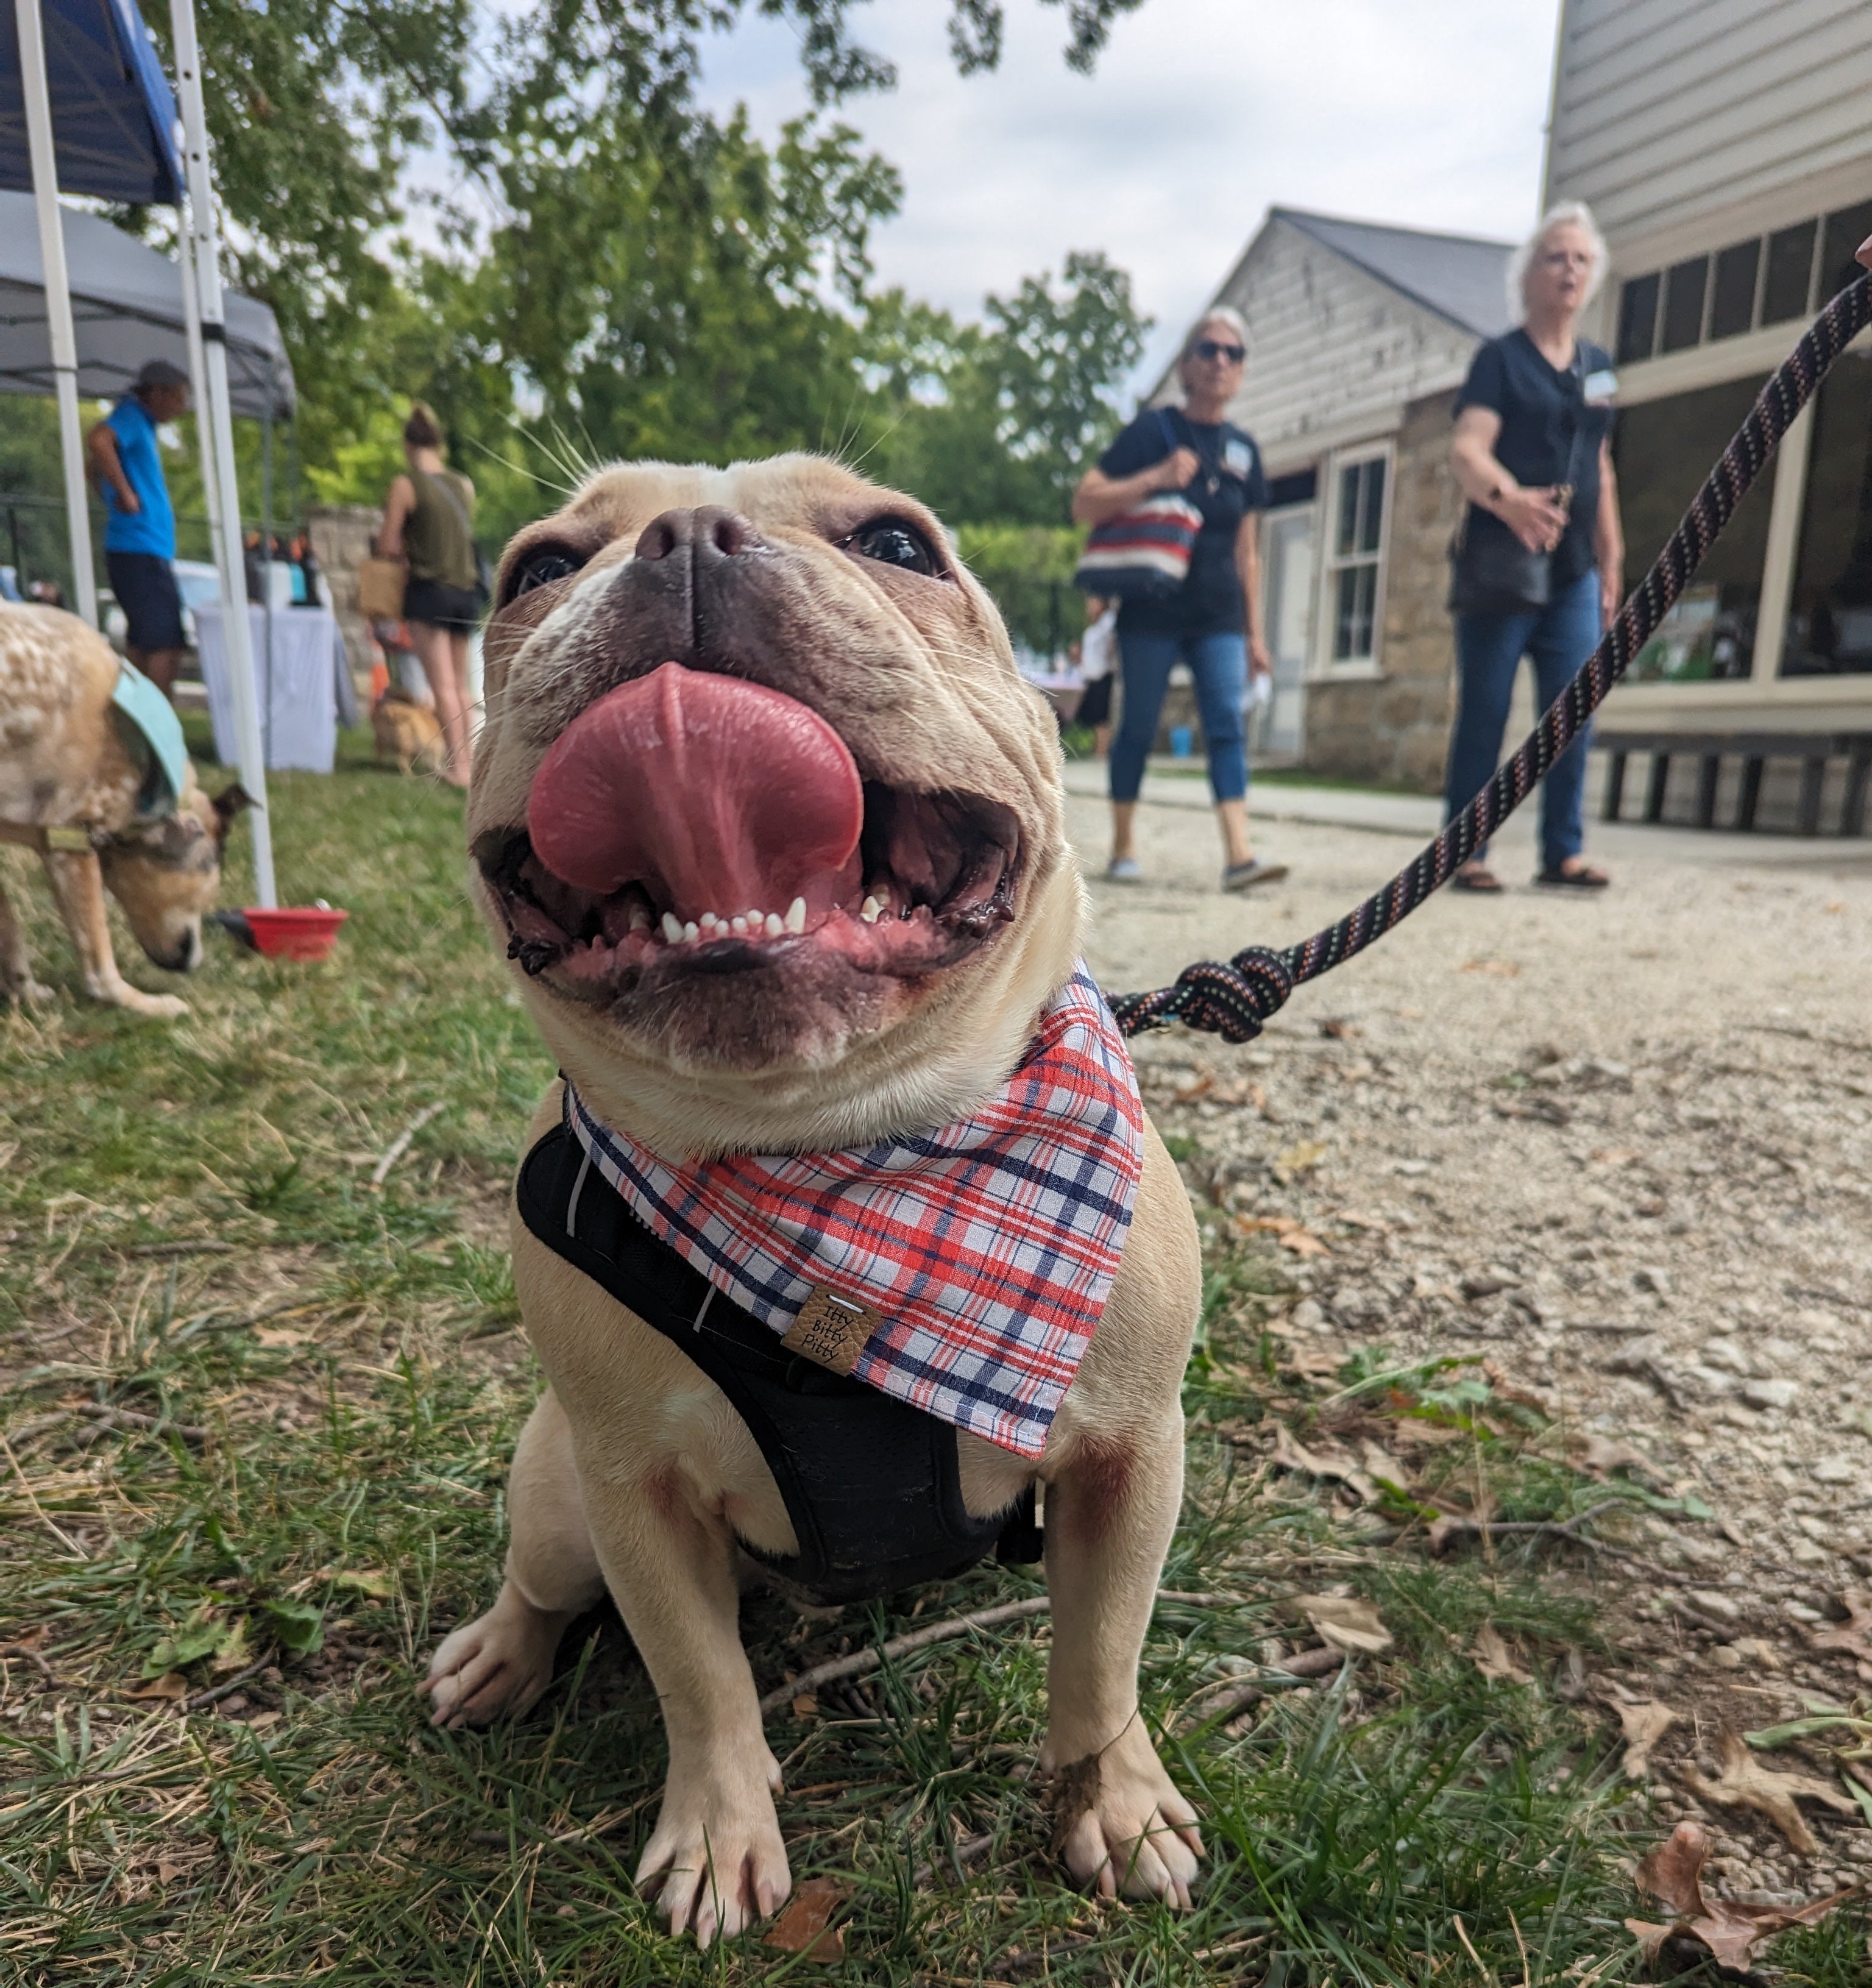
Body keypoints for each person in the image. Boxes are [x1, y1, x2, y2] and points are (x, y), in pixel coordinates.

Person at [1072, 308, 1285, 892]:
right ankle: (1123, 845)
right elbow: (1085, 501)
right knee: (1138, 725)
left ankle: (1239, 854)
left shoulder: (1245, 450)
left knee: (1226, 724)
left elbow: (1248, 552)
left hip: (1220, 613)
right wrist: (1156, 477)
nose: (1221, 361)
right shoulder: (1153, 432)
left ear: (1242, 371)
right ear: (1186, 366)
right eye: (1208, 350)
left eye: (1233, 353)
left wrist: (1256, 635)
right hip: (1152, 608)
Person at [1445, 202, 1625, 892]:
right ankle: (1466, 852)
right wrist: (1509, 499)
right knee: (1486, 710)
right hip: (1504, 562)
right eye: (1556, 257)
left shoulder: (1599, 366)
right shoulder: (1499, 360)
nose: (1569, 270)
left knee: (1575, 709)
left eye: (1581, 259)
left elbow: (1601, 464)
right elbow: (1467, 450)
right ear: (1529, 274)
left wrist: (1612, 560)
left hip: (1574, 569)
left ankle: (1562, 851)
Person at [377, 403, 480, 788]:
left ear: (408, 446)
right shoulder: (463, 485)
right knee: (462, 686)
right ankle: (473, 763)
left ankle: (460, 769)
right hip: (466, 593)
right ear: (438, 445)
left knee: (443, 687)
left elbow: (388, 545)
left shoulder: (405, 485)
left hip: (429, 593)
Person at [85, 359, 190, 697]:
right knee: (164, 642)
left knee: (145, 639)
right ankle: (155, 717)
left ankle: (133, 716)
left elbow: (92, 468)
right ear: (157, 393)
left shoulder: (141, 425)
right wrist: (126, 494)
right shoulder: (131, 416)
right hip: (140, 548)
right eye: (178, 398)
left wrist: (112, 493)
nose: (181, 408)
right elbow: (99, 441)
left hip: (140, 547)